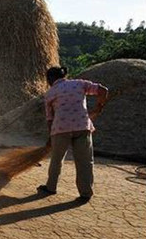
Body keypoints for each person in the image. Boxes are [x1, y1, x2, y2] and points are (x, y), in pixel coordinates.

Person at [37, 67, 108, 201]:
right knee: (85, 162)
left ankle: (51, 187)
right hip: (82, 126)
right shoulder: (79, 83)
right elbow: (103, 91)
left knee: (56, 160)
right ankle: (85, 193)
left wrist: (50, 137)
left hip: (60, 128)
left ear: (50, 79)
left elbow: (49, 119)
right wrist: (99, 107)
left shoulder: (50, 93)